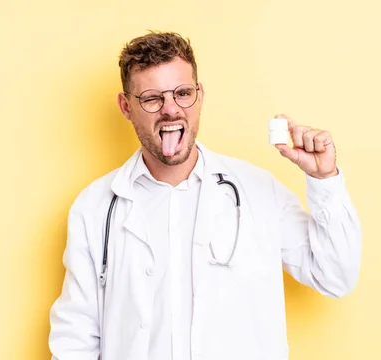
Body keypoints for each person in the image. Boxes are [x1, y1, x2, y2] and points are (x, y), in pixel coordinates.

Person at [48, 31, 362, 360]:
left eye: (182, 93)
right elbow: (75, 338)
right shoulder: (95, 209)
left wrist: (324, 178)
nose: (170, 110)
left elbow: (336, 276)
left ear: (199, 95)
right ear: (126, 106)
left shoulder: (257, 191)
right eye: (152, 99)